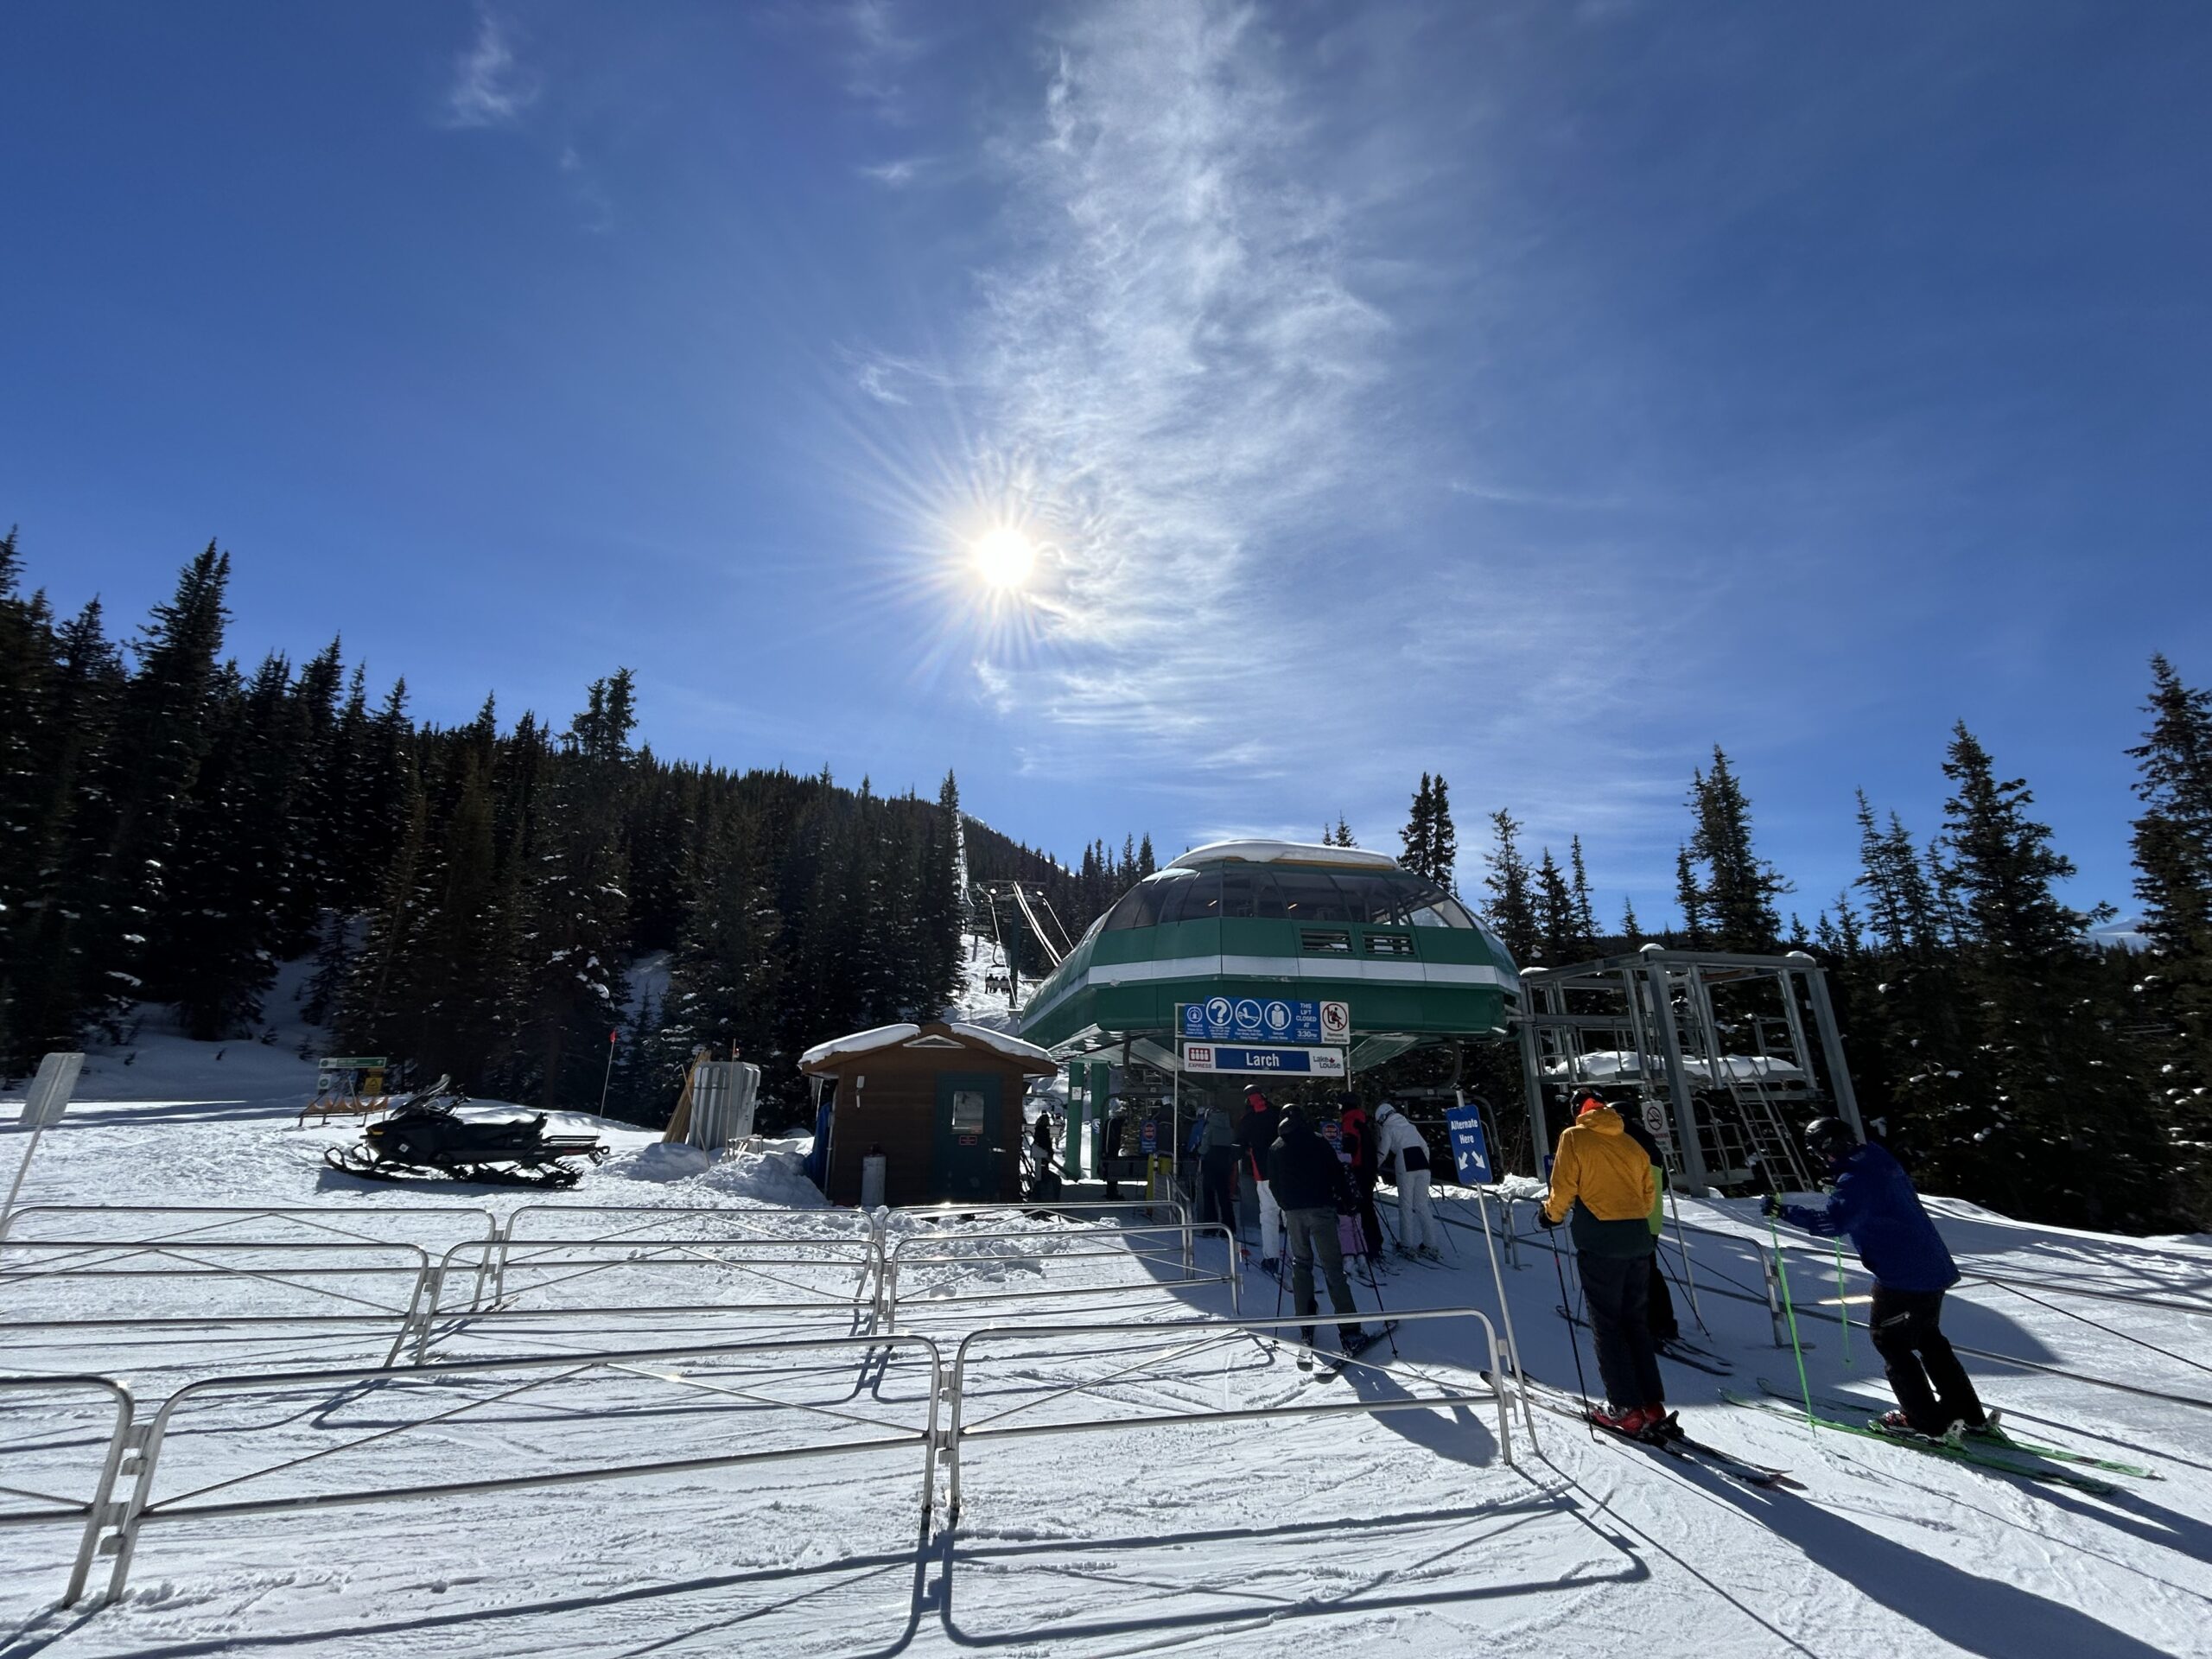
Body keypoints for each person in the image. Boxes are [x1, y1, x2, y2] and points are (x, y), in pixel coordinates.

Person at [1764, 1118, 1989, 1440]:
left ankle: (1925, 1422)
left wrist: (1782, 1212)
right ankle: (1967, 1413)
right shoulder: (1875, 1157)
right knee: (1927, 1338)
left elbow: (1833, 1223)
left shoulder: (1855, 1180)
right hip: (1931, 1266)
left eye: (1818, 1152)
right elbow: (1868, 1200)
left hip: (1902, 1275)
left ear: (1825, 1150)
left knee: (1890, 1341)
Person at [1540, 1091, 1665, 1436]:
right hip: (1637, 1238)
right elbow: (1649, 1191)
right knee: (1635, 1323)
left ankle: (1624, 1407)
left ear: (1578, 1112)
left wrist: (1550, 1215)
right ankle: (1651, 1404)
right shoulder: (1629, 1141)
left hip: (1600, 1239)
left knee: (1607, 1325)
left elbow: (1563, 1184)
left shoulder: (1575, 1137)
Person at [1266, 1104, 1364, 1352]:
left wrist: (1285, 1206)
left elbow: (1274, 1184)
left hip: (1295, 1213)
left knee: (1301, 1263)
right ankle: (1349, 1329)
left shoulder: (1276, 1147)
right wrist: (1347, 1202)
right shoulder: (1318, 1141)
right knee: (1332, 1267)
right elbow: (1336, 1174)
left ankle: (1305, 1321)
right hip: (1322, 1210)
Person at [1612, 1098, 1680, 1344]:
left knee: (1633, 1272)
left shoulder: (1623, 1140)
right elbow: (1661, 1184)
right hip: (1652, 1218)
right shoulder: (1649, 1141)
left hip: (1633, 1217)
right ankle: (1664, 1322)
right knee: (1649, 1270)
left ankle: (1647, 1324)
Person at [1372, 1101, 1441, 1259]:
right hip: (1422, 1163)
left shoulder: (1389, 1128)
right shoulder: (1410, 1126)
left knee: (1405, 1205)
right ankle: (1431, 1244)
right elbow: (1425, 1147)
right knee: (1422, 1205)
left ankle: (1406, 1244)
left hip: (1405, 1162)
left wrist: (1374, 1166)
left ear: (1383, 1118)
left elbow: (1383, 1151)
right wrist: (1426, 1163)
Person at [1236, 1086, 1284, 1270]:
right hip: (1285, 1171)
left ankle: (1271, 1258)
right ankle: (1300, 1257)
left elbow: (1238, 1144)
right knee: (1289, 1215)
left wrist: (1241, 1153)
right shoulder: (1277, 1113)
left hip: (1262, 1172)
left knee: (1268, 1214)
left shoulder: (1247, 1119)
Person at [1335, 1092, 1385, 1255]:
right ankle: (1374, 1243)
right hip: (1369, 1168)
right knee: (1368, 1206)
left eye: (1340, 1105)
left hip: (1357, 1169)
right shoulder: (1364, 1119)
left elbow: (1350, 1146)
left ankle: (1365, 1247)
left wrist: (1340, 1156)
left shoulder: (1350, 1120)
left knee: (1358, 1208)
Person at [1198, 1096, 1240, 1235]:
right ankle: (1229, 1226)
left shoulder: (1209, 1126)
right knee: (1224, 1195)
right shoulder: (1229, 1127)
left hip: (1211, 1160)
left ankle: (1210, 1227)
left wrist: (1199, 1152)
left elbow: (1204, 1146)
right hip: (1225, 1161)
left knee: (1208, 1194)